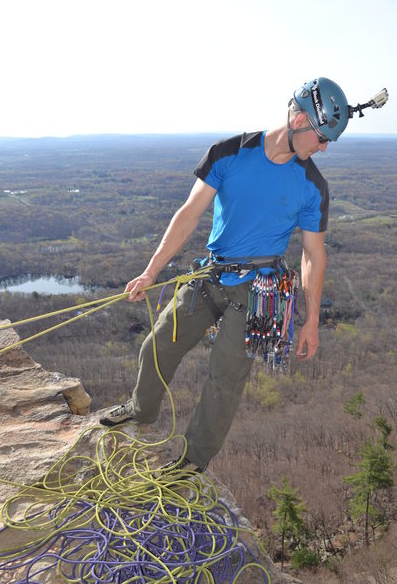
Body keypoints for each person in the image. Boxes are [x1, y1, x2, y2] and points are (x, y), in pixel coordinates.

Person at [100, 77, 350, 473]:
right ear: (299, 119)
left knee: (224, 379)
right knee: (158, 344)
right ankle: (141, 409)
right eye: (322, 138)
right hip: (212, 275)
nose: (324, 148)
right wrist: (151, 272)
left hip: (259, 291)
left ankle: (192, 461)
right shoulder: (229, 153)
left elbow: (313, 257)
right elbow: (188, 215)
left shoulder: (312, 186)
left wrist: (312, 319)